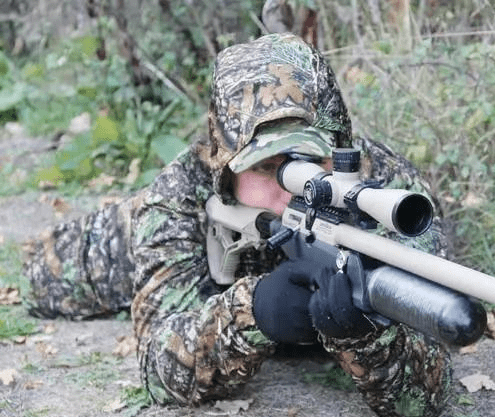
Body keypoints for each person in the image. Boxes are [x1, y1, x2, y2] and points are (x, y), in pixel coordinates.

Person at [23, 33, 452, 417]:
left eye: (312, 166)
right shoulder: (182, 193)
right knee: (43, 278)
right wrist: (253, 311)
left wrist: (366, 338)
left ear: (340, 154)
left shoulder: (390, 192)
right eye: (268, 169)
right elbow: (160, 373)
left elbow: (425, 398)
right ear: (224, 166)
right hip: (161, 239)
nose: (292, 193)